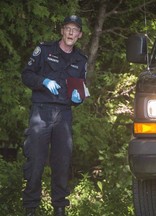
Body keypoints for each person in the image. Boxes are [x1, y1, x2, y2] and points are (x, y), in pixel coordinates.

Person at [21, 15, 88, 216]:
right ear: (62, 30)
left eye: (75, 30)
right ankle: (30, 208)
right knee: (35, 161)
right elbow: (26, 75)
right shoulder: (44, 50)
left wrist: (78, 98)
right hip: (41, 112)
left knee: (62, 163)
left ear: (79, 35)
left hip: (64, 115)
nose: (70, 33)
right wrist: (43, 82)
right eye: (67, 28)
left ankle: (60, 208)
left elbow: (81, 88)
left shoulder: (81, 60)